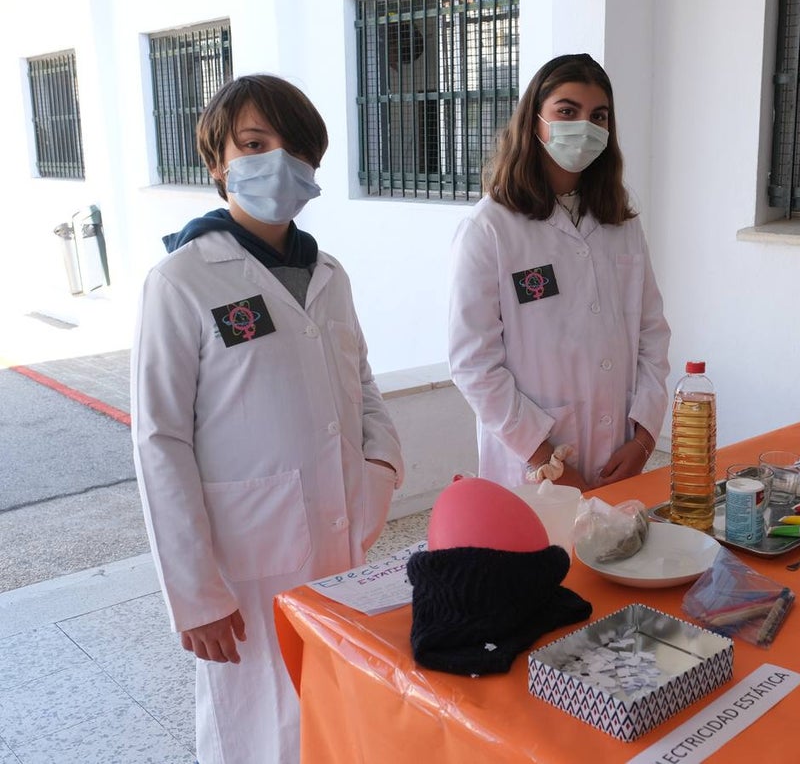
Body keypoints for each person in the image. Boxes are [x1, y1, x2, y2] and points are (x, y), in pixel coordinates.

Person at [130, 74, 403, 764]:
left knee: (333, 716)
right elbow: (160, 439)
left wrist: (379, 471)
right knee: (258, 730)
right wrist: (194, 593)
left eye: (294, 148)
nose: (276, 162)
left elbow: (362, 386)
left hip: (338, 541)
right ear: (219, 162)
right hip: (246, 562)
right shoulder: (183, 280)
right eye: (254, 144)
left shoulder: (330, 273)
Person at [447, 53, 671, 493]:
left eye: (598, 116)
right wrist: (544, 456)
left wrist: (644, 438)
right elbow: (474, 363)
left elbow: (652, 333)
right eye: (567, 111)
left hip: (618, 451)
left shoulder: (620, 222)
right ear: (534, 121)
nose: (584, 126)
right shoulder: (490, 227)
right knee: (541, 556)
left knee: (610, 555)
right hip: (531, 462)